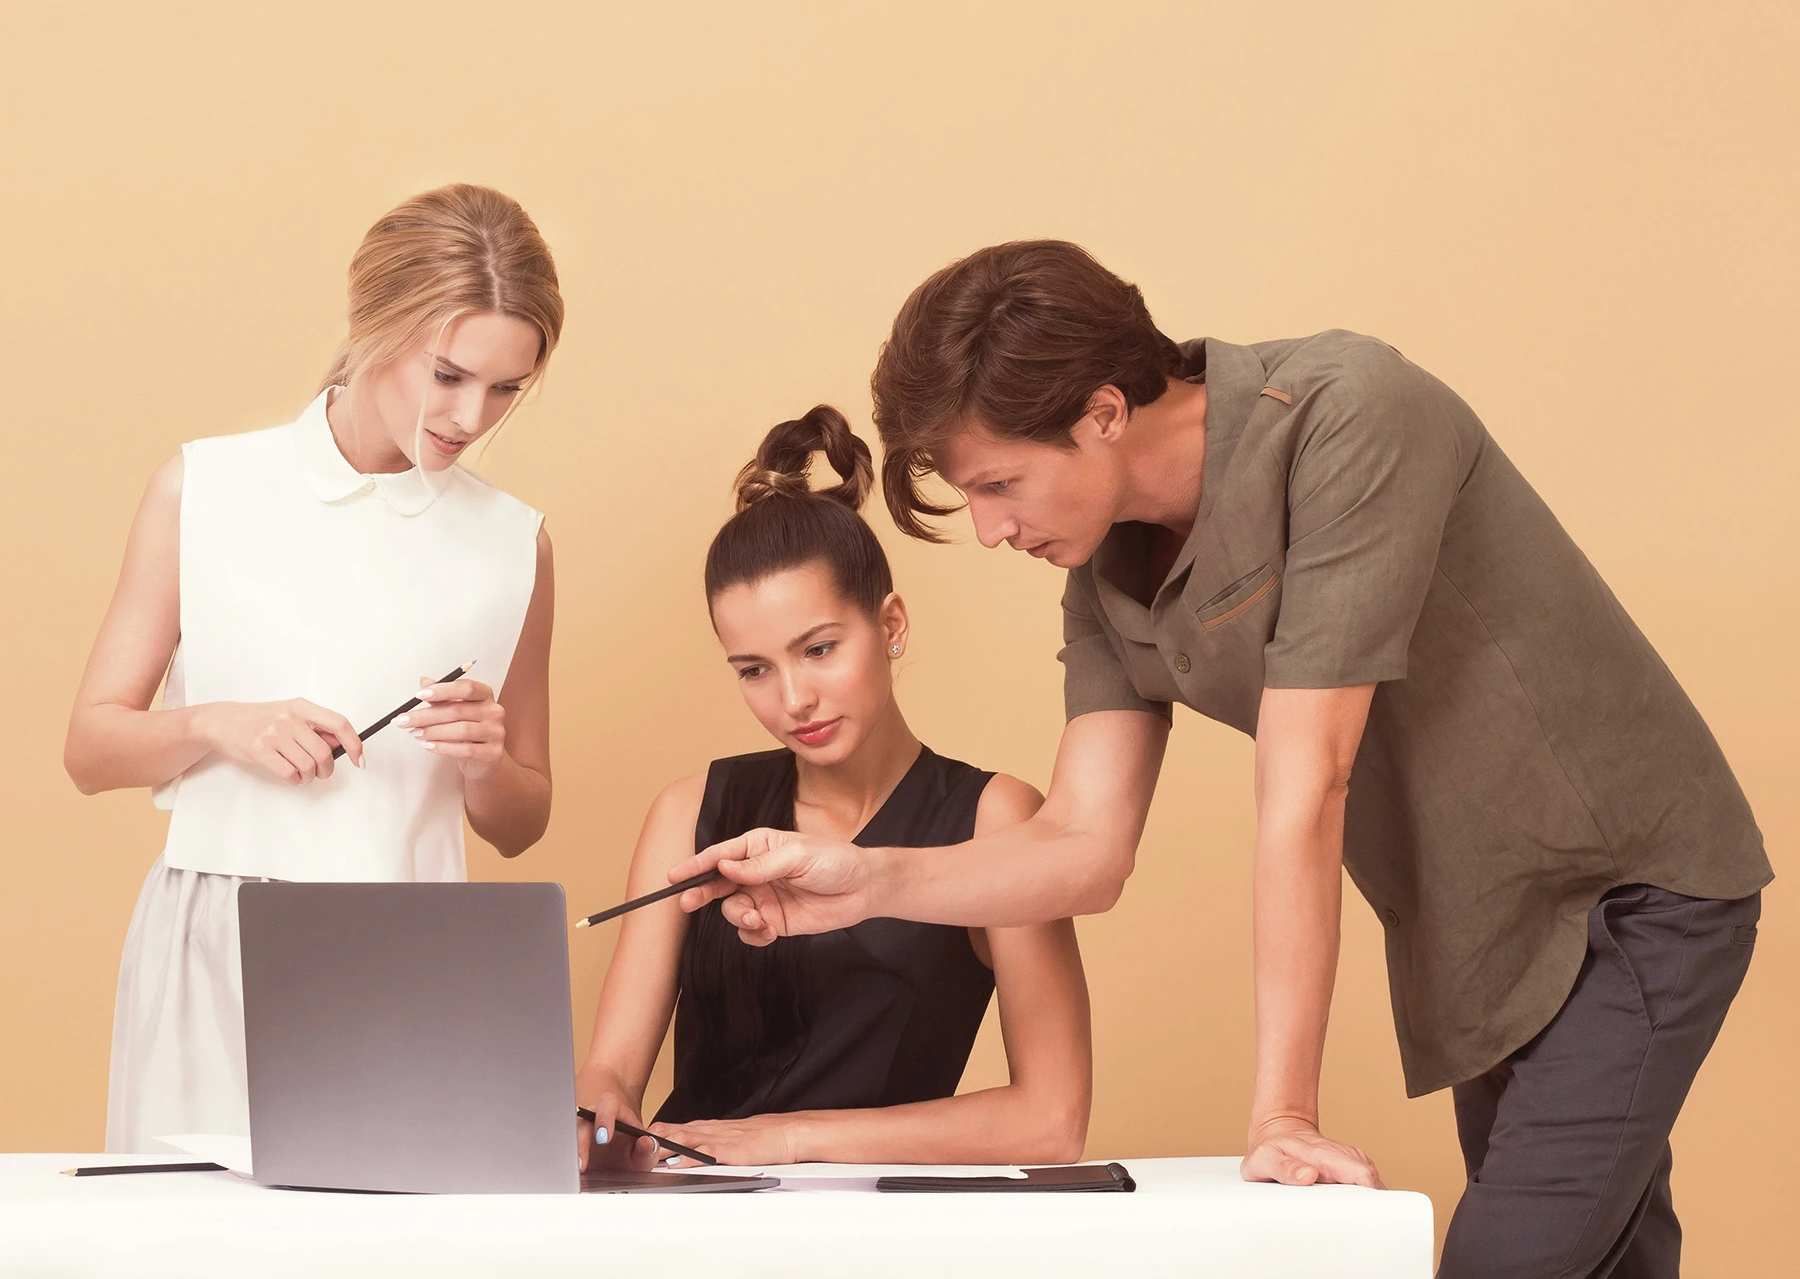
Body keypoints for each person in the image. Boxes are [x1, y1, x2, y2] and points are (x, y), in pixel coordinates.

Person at [673, 242, 1769, 1273]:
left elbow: (1308, 786)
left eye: (999, 484)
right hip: (1474, 934)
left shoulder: (1350, 417)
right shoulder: (1103, 570)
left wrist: (1281, 1114)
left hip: (1626, 894)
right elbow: (1082, 846)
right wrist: (865, 880)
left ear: (1104, 412)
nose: (991, 530)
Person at [65, 184, 563, 1154]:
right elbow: (90, 748)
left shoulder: (516, 545)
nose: (473, 416)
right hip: (215, 935)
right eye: (450, 374)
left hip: (414, 953)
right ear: (376, 324)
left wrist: (484, 759)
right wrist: (217, 723)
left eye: (508, 388)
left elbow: (520, 820)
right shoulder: (203, 487)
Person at [575, 405, 1091, 1172]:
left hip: (872, 1227)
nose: (793, 700)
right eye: (753, 669)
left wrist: (786, 1140)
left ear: (891, 626)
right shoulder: (690, 813)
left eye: (818, 649)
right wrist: (599, 1113)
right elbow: (611, 1072)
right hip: (688, 1214)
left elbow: (1051, 1121)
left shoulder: (996, 820)